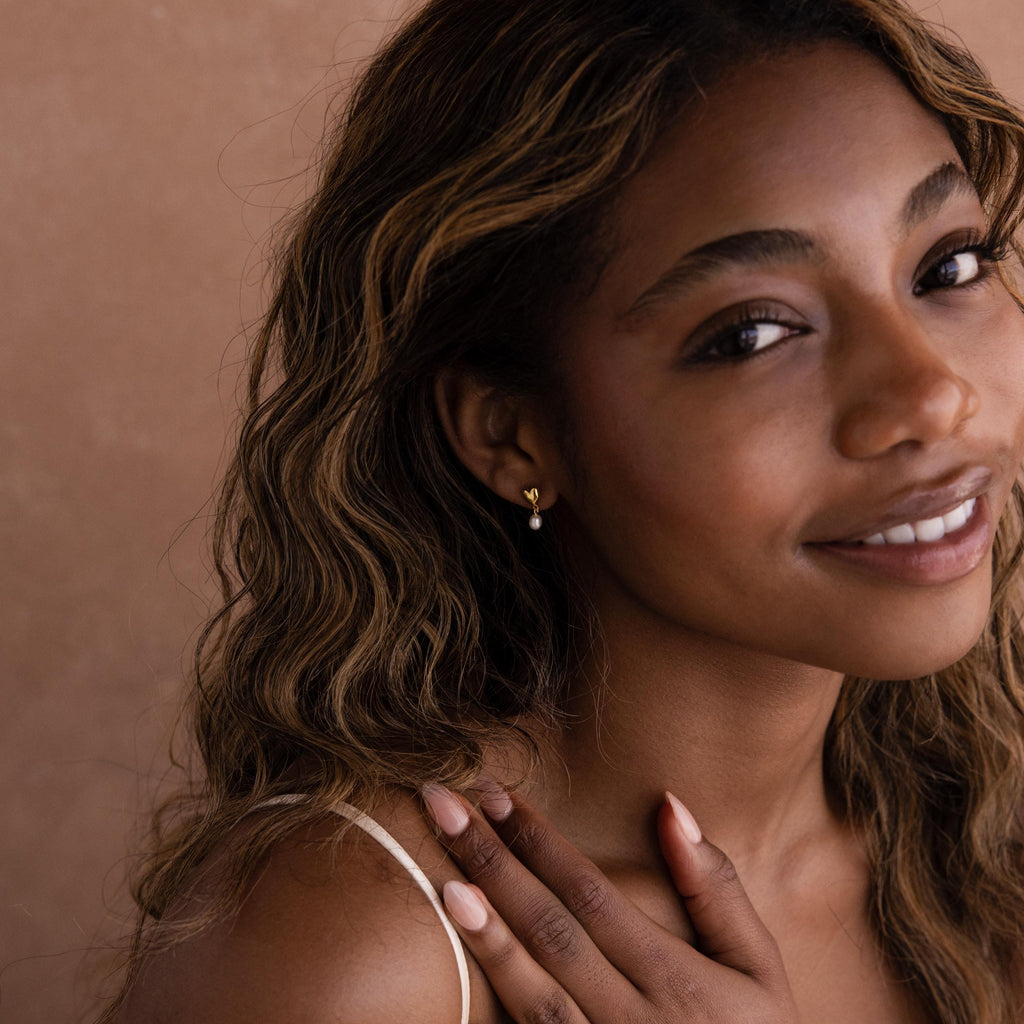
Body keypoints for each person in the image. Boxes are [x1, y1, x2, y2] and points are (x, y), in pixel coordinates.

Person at [103, 0, 1024, 1021]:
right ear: (512, 435)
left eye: (948, 267)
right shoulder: (363, 950)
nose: (933, 395)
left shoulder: (980, 853)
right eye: (753, 333)